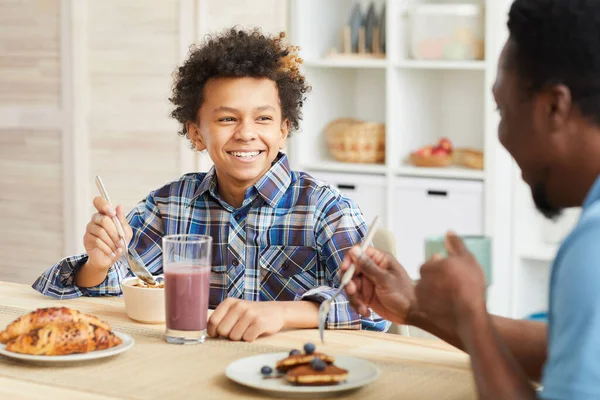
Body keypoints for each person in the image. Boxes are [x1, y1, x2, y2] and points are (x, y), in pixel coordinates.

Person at [32, 27, 390, 341]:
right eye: (227, 118)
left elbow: (377, 307)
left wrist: (282, 314)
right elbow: (110, 287)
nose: (246, 133)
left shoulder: (325, 208)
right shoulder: (170, 205)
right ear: (196, 134)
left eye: (263, 118)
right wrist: (97, 263)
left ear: (283, 131)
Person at [342, 0, 600, 398]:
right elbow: (563, 349)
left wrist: (472, 315)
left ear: (554, 107)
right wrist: (417, 309)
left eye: (501, 109)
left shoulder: (592, 246)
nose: (501, 137)